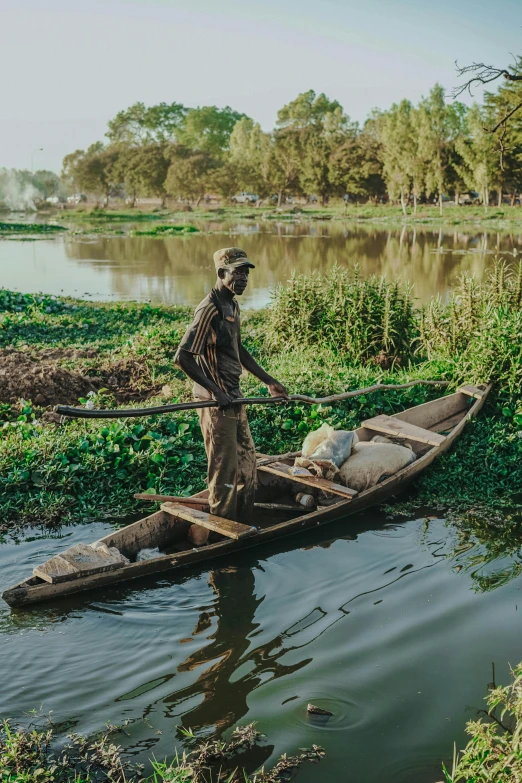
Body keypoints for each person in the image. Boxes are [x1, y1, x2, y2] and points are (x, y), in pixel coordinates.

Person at [175, 247, 288, 524]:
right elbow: (183, 357)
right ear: (221, 273)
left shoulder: (233, 306)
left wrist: (269, 381)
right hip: (215, 402)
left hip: (234, 397)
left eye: (246, 272)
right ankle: (223, 528)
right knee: (224, 469)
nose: (244, 278)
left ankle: (244, 519)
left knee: (247, 460)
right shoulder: (209, 308)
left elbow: (238, 348)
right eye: (237, 272)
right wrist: (216, 391)